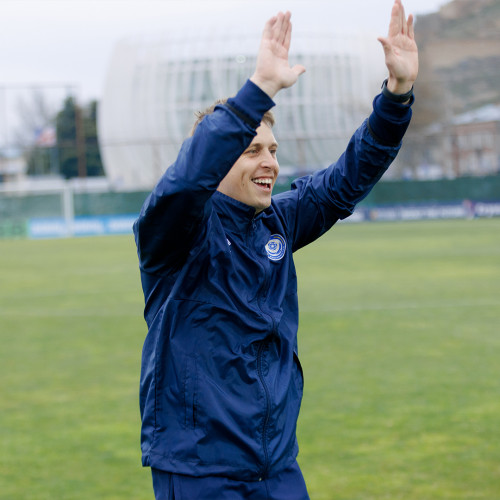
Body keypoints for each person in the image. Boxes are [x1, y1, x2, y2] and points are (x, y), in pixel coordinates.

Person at [133, 1, 418, 498]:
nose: (269, 162)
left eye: (272, 150)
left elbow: (347, 179)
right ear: (217, 161)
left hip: (278, 467)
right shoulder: (175, 233)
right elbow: (185, 183)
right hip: (201, 472)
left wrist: (396, 96)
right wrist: (258, 90)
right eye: (252, 150)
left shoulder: (278, 222)